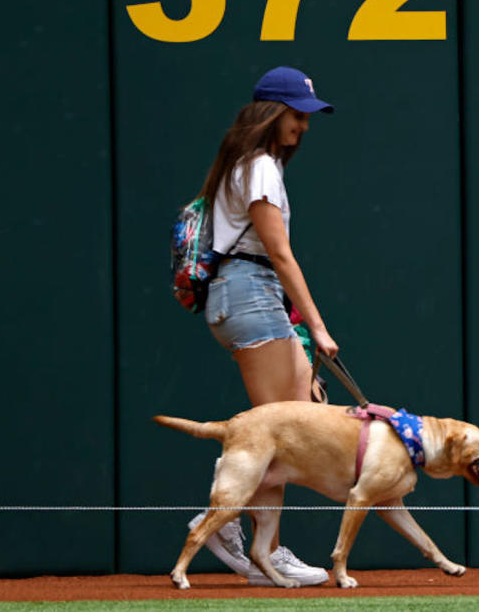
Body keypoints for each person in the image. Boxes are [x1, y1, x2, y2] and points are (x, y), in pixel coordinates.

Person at [186, 66, 339, 586]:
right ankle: (250, 544)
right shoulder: (261, 167)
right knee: (279, 432)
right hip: (249, 292)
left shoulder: (251, 164)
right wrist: (316, 328)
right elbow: (278, 253)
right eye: (297, 115)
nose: (305, 125)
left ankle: (258, 546)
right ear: (273, 113)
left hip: (249, 295)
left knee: (294, 418)